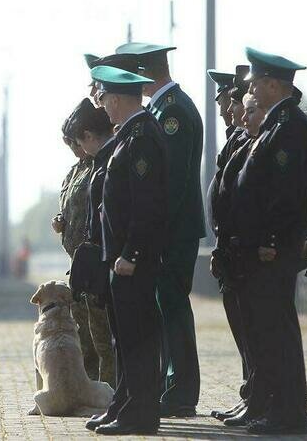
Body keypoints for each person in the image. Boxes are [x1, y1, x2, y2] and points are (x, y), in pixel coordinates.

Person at [225, 47, 307, 435]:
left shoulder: (289, 125)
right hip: (265, 249)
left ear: (274, 85)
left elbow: (285, 194)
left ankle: (288, 414)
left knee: (279, 335)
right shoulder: (279, 123)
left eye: (257, 83)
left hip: (274, 251)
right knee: (270, 334)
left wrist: (272, 240)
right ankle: (278, 408)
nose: (252, 90)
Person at [115, 42, 204, 417]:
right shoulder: (164, 109)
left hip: (174, 230)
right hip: (170, 230)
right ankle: (173, 384)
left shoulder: (174, 113)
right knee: (166, 308)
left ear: (147, 74)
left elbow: (173, 182)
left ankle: (182, 390)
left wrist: (156, 232)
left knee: (173, 308)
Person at [85, 65, 165, 435]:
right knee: (124, 338)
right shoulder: (129, 135)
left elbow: (147, 204)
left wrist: (131, 254)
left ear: (117, 99)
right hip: (120, 260)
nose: (103, 108)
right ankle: (124, 402)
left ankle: (141, 412)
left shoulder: (142, 137)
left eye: (105, 100)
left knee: (138, 338)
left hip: (133, 261)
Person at [54, 98, 115, 384]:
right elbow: (71, 204)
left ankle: (108, 392)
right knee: (85, 335)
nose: (75, 149)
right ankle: (89, 388)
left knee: (103, 336)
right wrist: (61, 221)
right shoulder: (76, 170)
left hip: (96, 260)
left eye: (76, 142)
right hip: (79, 265)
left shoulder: (101, 164)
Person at [207, 65, 253, 421]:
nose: (225, 109)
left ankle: (255, 394)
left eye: (229, 102)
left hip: (243, 249)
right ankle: (249, 391)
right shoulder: (236, 137)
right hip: (230, 248)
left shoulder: (249, 138)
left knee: (252, 329)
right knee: (242, 327)